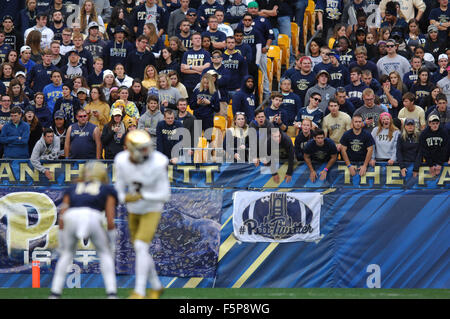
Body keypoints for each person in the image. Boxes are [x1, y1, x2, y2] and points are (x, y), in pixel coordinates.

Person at [49, 161, 118, 299]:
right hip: (93, 216)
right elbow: (110, 218)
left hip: (71, 217)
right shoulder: (107, 189)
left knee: (66, 254)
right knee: (105, 254)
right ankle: (111, 293)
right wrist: (111, 240)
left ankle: (55, 293)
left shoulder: (73, 187)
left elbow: (62, 214)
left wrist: (62, 237)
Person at [114, 129, 169, 299]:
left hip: (152, 207)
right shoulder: (122, 160)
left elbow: (165, 195)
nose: (147, 151)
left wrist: (143, 195)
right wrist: (124, 197)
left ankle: (139, 291)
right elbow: (118, 187)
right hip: (134, 209)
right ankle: (156, 285)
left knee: (140, 246)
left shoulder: (158, 162)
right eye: (143, 148)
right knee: (141, 250)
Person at [181, 32, 212, 97]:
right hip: (188, 83)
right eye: (195, 38)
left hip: (201, 83)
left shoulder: (206, 53)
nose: (198, 40)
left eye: (199, 38)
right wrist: (197, 71)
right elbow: (183, 69)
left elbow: (206, 67)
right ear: (191, 41)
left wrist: (190, 66)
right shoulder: (186, 53)